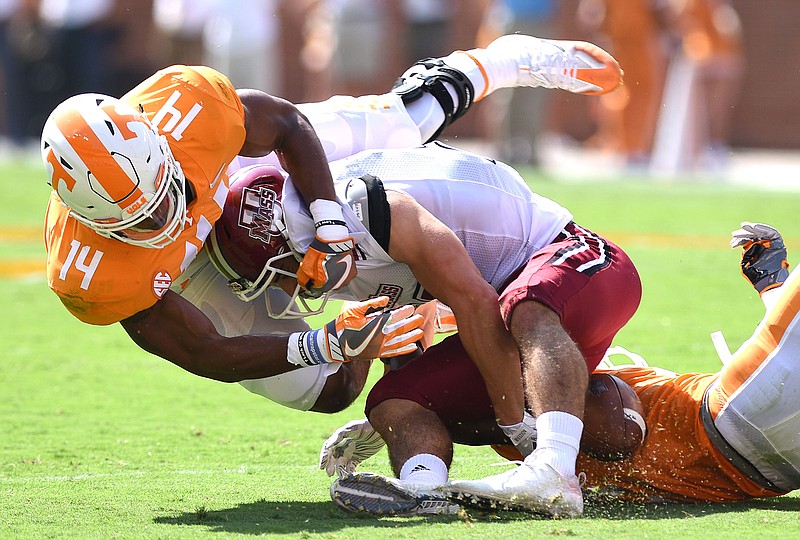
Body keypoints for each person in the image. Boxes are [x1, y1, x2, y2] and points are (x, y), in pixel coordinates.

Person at [42, 35, 624, 413]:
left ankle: (491, 62)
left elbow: (290, 127)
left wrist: (329, 225)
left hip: (240, 169)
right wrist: (325, 341)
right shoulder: (92, 276)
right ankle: (401, 310)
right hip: (195, 270)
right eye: (143, 220)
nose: (167, 216)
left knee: (400, 123)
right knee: (329, 389)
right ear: (95, 221)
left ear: (155, 140)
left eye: (166, 194)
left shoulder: (190, 111)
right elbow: (204, 352)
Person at [210, 136, 641, 519]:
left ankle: (555, 472)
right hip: (512, 320)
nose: (286, 287)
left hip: (578, 263)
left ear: (291, 235)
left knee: (524, 304)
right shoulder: (330, 239)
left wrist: (512, 420)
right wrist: (395, 415)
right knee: (393, 399)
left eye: (280, 272)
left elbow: (475, 301)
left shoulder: (366, 208)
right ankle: (422, 489)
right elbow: (408, 316)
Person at [323, 222, 800, 515]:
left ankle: (423, 491)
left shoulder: (509, 424)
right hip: (727, 421)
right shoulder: (535, 415)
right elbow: (617, 424)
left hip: (768, 468)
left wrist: (769, 282)